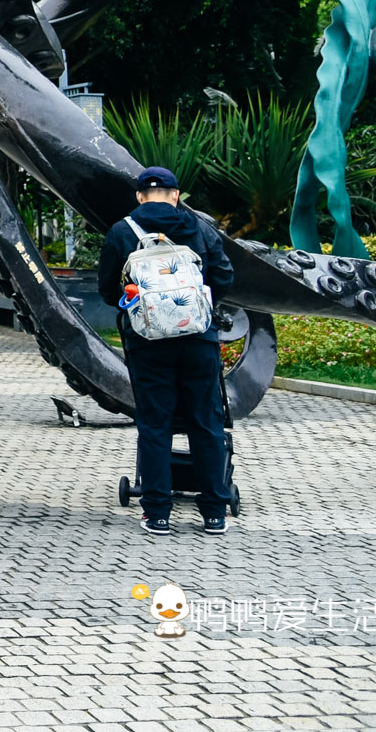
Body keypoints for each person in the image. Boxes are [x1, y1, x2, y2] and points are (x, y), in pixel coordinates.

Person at [99, 165, 235, 537]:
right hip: (199, 341)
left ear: (140, 196)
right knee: (205, 424)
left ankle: (158, 513)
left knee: (155, 424)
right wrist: (199, 310)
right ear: (176, 195)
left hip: (148, 344)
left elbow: (108, 291)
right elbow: (224, 275)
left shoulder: (122, 232)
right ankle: (214, 514)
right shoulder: (200, 229)